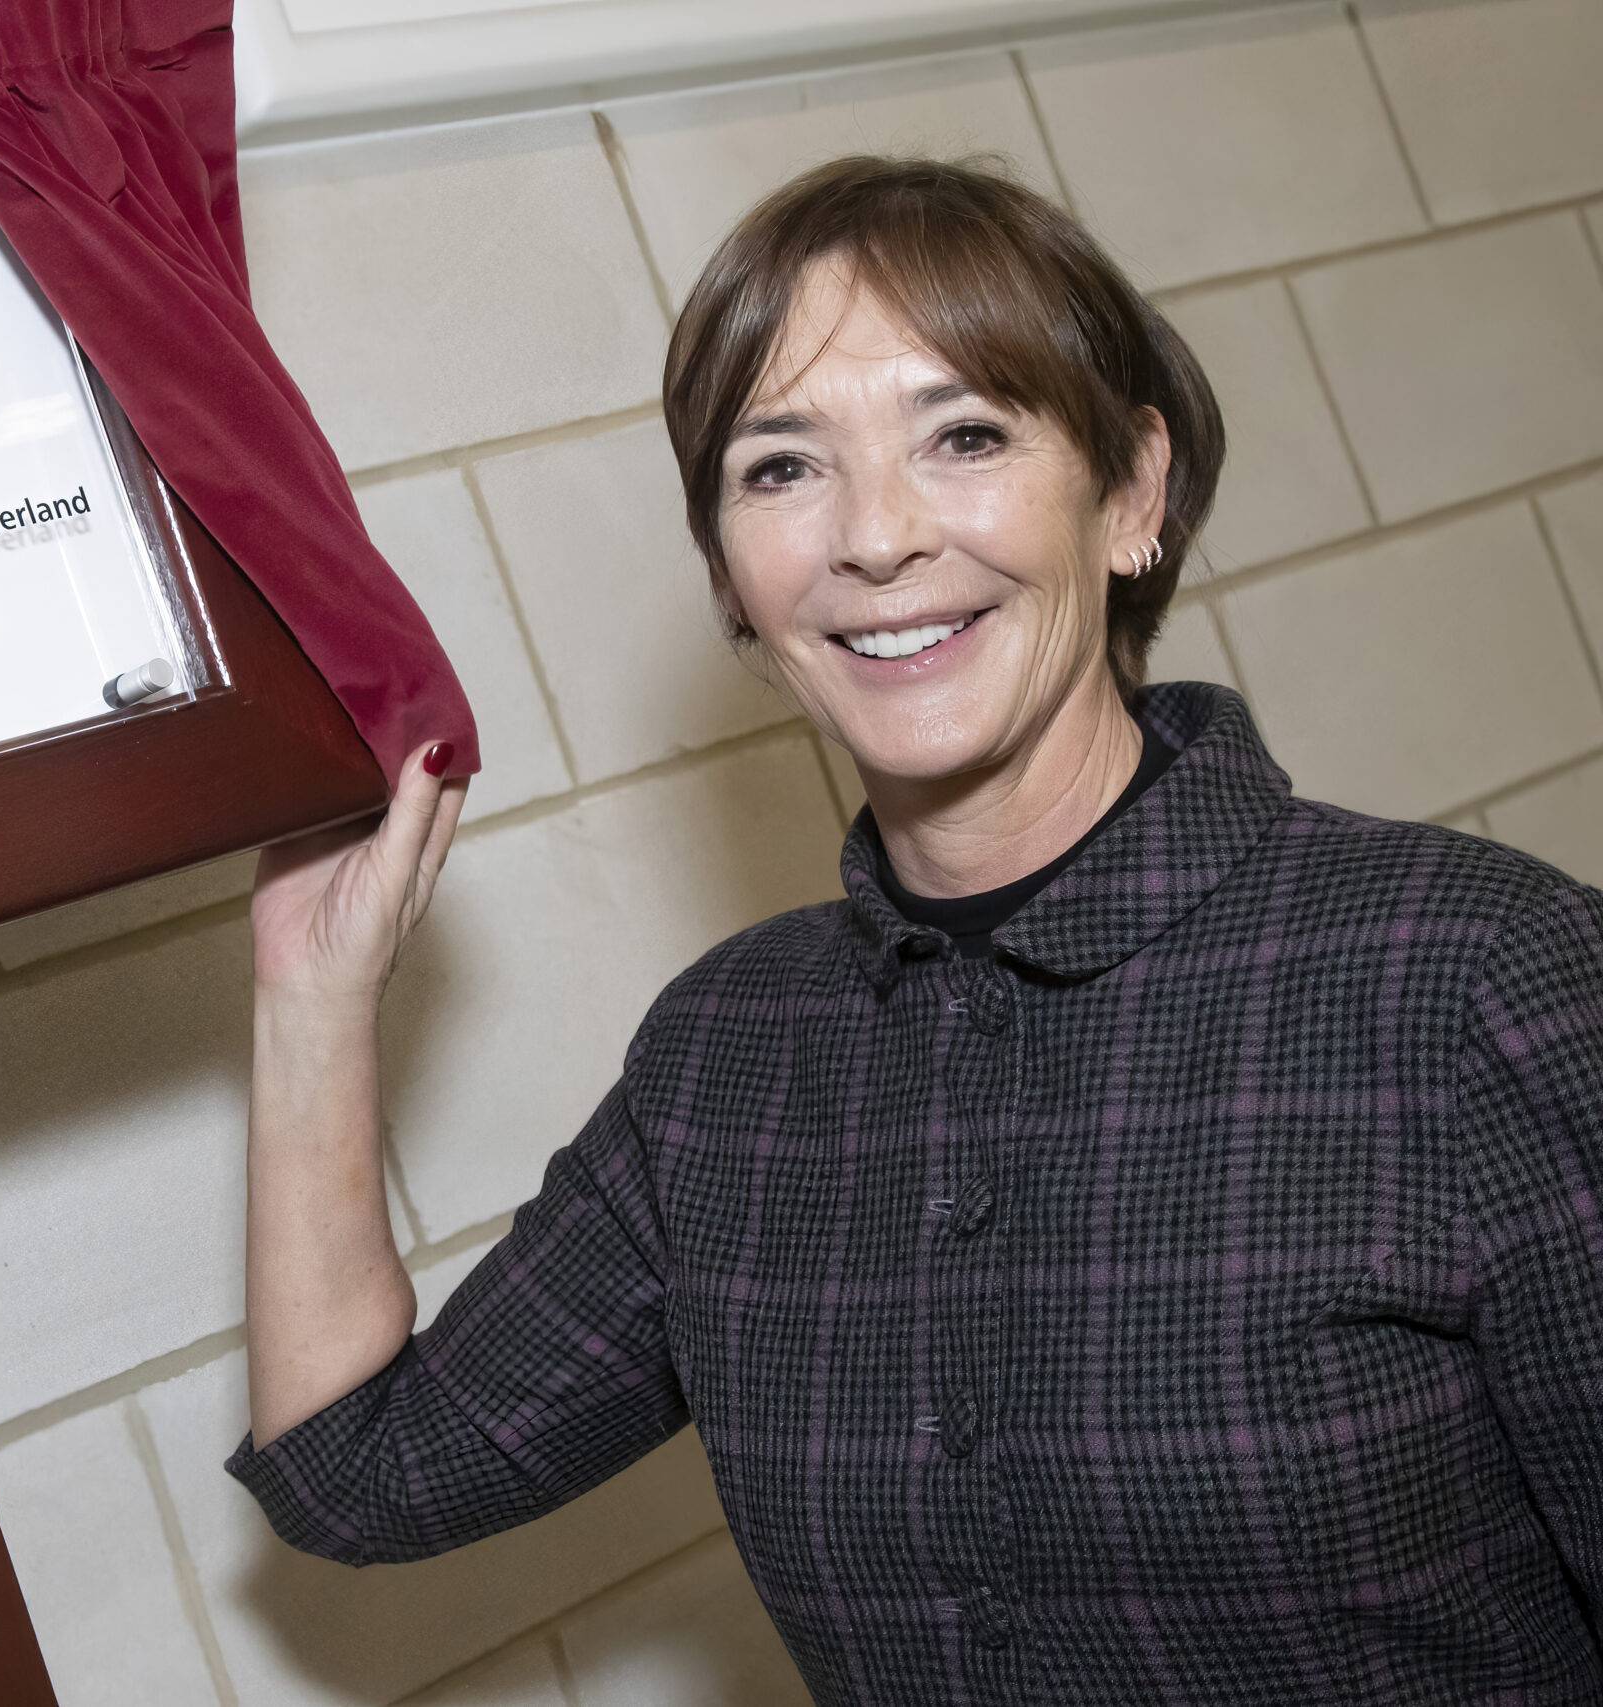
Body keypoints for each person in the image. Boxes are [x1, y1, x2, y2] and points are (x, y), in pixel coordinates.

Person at [228, 155, 1603, 1702]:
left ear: (1131, 491)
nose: (874, 539)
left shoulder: (1481, 979)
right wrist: (309, 998)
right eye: (781, 468)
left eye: (964, 435)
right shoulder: (725, 1064)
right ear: (734, 583)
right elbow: (366, 1473)